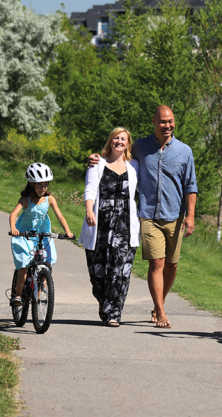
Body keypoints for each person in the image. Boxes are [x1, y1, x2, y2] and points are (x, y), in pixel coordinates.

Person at [89, 105, 197, 328]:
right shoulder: (140, 147)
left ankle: (160, 302)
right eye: (163, 121)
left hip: (175, 215)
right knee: (156, 263)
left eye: (171, 121)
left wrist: (191, 215)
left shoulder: (185, 151)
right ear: (154, 122)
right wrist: (96, 158)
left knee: (172, 265)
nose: (168, 125)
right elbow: (117, 155)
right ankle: (160, 310)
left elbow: (190, 185)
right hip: (148, 215)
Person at [82, 127, 140, 327]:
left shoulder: (134, 166)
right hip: (101, 225)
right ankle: (102, 300)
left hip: (124, 227)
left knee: (120, 271)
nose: (119, 141)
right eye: (116, 138)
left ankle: (114, 313)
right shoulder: (97, 163)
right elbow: (89, 188)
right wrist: (89, 210)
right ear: (110, 141)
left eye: (123, 139)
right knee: (97, 272)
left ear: (128, 143)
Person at [8, 162, 73, 306]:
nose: (43, 188)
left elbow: (60, 216)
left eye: (46, 185)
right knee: (24, 264)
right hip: (25, 235)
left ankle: (41, 284)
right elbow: (13, 215)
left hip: (42, 235)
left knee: (48, 261)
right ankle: (18, 295)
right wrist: (13, 227)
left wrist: (67, 231)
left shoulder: (50, 200)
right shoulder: (26, 200)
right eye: (40, 185)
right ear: (31, 184)